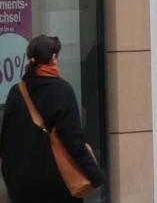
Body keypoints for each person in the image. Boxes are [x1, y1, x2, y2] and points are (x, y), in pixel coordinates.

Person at [0, 35, 106, 203]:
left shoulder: (16, 91)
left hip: (22, 186)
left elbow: (6, 140)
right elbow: (74, 142)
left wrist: (11, 178)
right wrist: (95, 175)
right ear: (54, 58)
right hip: (56, 184)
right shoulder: (62, 91)